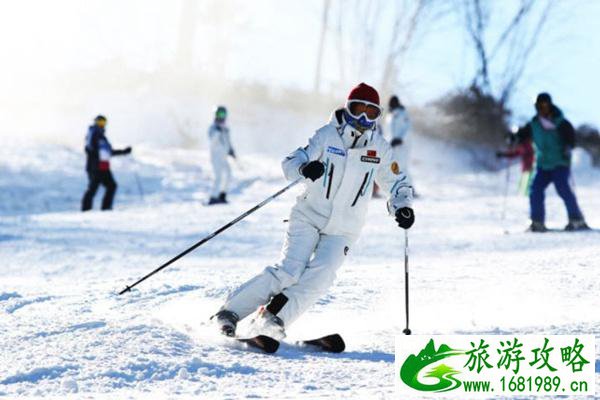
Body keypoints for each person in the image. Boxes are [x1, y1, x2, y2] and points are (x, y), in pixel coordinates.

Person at [212, 83, 414, 338]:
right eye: (358, 109)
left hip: (344, 228)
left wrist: (402, 207)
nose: (363, 118)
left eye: (371, 112)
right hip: (309, 216)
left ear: (377, 115)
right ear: (347, 108)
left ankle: (272, 319)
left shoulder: (379, 148)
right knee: (289, 271)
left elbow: (398, 183)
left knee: (321, 277)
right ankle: (229, 312)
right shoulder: (327, 136)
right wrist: (305, 170)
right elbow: (292, 162)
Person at [516, 93, 589, 232]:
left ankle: (576, 218)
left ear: (550, 105)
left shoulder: (561, 122)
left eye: (545, 105)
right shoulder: (534, 124)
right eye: (539, 106)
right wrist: (514, 138)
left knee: (562, 188)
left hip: (560, 162)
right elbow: (521, 135)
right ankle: (537, 221)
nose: (543, 109)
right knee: (535, 190)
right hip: (543, 164)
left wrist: (568, 146)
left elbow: (571, 138)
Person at [81, 115, 132, 211]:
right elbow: (89, 148)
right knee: (93, 188)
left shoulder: (102, 138)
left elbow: (108, 152)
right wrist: (93, 157)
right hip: (95, 167)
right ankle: (86, 210)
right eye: (99, 122)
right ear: (95, 122)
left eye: (103, 122)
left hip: (103, 167)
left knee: (111, 186)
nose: (101, 125)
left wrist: (123, 152)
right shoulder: (93, 133)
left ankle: (106, 208)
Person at [207, 106, 236, 205]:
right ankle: (213, 197)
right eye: (219, 114)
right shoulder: (213, 128)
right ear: (216, 115)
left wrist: (231, 150)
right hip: (216, 156)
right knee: (218, 176)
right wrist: (217, 132)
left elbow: (228, 142)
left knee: (228, 174)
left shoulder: (225, 129)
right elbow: (212, 142)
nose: (221, 117)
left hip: (224, 156)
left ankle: (222, 195)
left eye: (223, 114)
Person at [386, 95, 413, 187]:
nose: (391, 104)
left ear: (397, 103)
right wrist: (389, 141)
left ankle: (410, 188)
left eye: (393, 102)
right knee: (394, 166)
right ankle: (398, 187)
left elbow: (408, 128)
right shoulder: (389, 115)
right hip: (392, 145)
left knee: (403, 167)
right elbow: (388, 131)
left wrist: (401, 139)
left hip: (402, 145)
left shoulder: (403, 113)